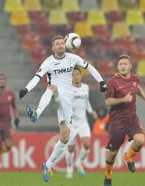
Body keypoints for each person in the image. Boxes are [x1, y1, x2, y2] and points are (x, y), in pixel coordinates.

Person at [18, 35, 107, 182]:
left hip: (67, 101)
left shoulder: (73, 58)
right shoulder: (48, 62)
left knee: (65, 138)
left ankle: (47, 165)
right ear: (53, 48)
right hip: (55, 97)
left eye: (61, 43)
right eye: (57, 44)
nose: (60, 45)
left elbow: (89, 67)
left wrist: (102, 81)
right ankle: (36, 114)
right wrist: (26, 89)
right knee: (52, 88)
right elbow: (37, 77)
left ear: (65, 45)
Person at [103, 55, 145, 186]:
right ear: (117, 67)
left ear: (130, 66)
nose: (123, 66)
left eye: (126, 64)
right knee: (112, 154)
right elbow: (108, 101)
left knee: (140, 140)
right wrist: (122, 100)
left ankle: (129, 157)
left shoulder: (135, 79)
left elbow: (137, 88)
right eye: (121, 64)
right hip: (117, 121)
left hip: (132, 118)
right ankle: (108, 174)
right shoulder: (112, 82)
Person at [65, 66, 98, 179]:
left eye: (77, 74)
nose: (75, 76)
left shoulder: (85, 87)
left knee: (87, 144)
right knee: (70, 148)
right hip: (71, 123)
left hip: (83, 122)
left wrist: (91, 111)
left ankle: (78, 162)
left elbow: (86, 101)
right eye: (73, 75)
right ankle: (69, 169)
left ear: (81, 75)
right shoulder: (67, 89)